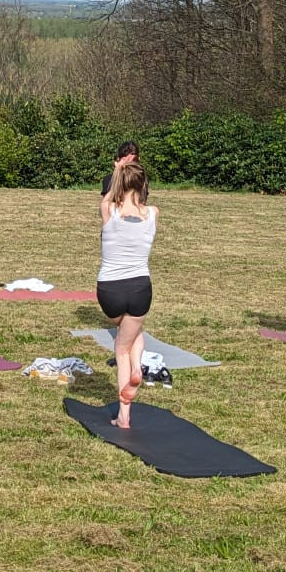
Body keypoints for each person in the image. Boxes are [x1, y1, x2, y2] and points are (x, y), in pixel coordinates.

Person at [97, 163, 159, 428]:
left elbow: (108, 198)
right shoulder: (154, 213)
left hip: (110, 289)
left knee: (122, 346)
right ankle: (136, 369)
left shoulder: (109, 210)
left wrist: (118, 174)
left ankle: (123, 416)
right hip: (140, 288)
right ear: (144, 185)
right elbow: (142, 207)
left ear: (119, 183)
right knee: (133, 334)